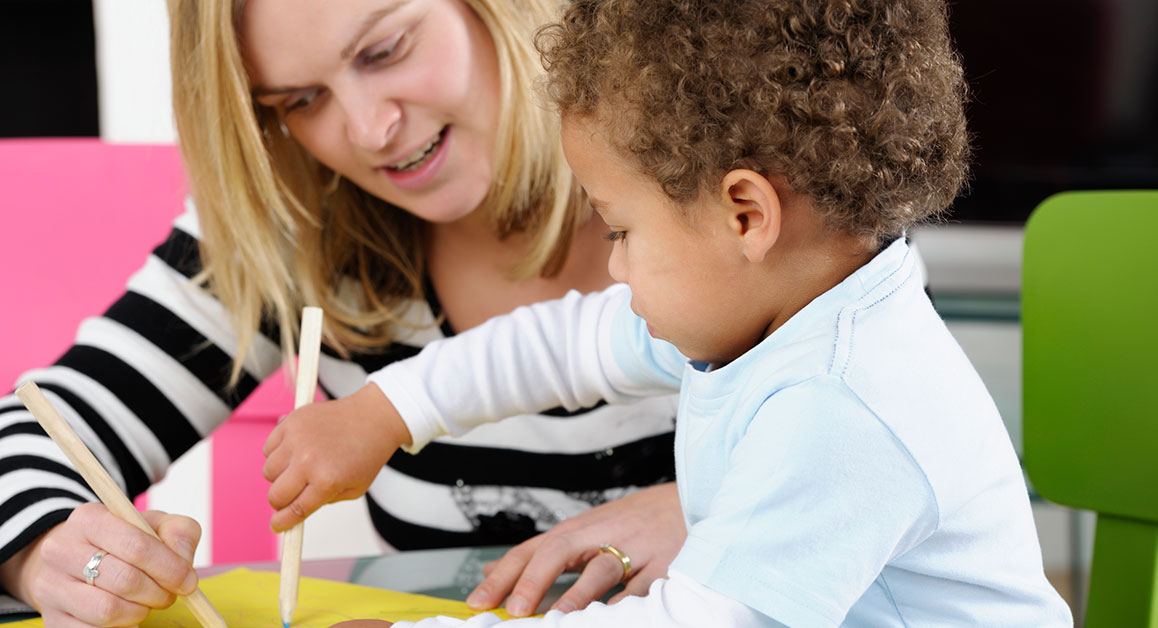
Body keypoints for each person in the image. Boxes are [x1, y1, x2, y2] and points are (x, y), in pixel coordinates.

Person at [266, 0, 1076, 625]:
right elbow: (566, 346)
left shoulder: (845, 409)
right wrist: (385, 409)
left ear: (746, 215)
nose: (611, 266)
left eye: (621, 229)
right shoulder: (772, 306)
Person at [0, 0, 690, 624]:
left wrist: (720, 518)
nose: (369, 131)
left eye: (386, 49)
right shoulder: (297, 224)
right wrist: (45, 553)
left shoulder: (724, 164)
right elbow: (38, 434)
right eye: (300, 99)